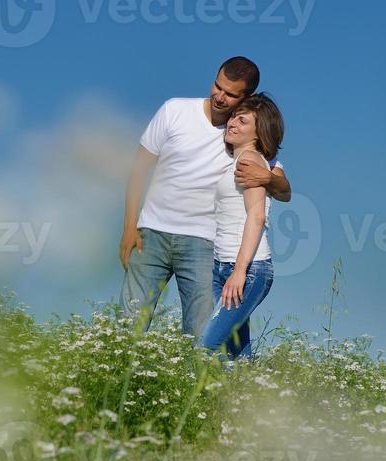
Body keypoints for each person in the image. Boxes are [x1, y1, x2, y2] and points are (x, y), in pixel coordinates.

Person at [119, 57, 291, 338]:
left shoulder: (243, 135)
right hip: (151, 233)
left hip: (203, 244)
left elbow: (284, 190)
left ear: (246, 97)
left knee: (200, 334)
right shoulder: (174, 110)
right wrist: (129, 228)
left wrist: (267, 178)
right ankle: (117, 379)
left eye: (231, 94)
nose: (219, 97)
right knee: (129, 323)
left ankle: (197, 382)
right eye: (217, 86)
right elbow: (138, 169)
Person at [199, 94, 284, 360]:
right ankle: (248, 399)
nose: (233, 122)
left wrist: (239, 271)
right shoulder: (235, 162)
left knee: (207, 347)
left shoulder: (250, 161)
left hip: (247, 270)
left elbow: (256, 216)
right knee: (237, 355)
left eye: (242, 120)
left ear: (259, 133)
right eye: (234, 116)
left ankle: (206, 399)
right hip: (223, 267)